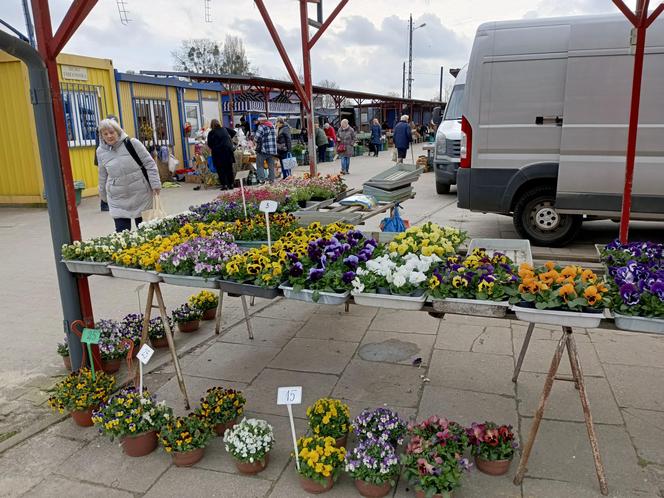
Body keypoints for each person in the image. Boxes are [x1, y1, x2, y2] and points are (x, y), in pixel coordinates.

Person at [96, 118, 161, 232]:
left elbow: (149, 163)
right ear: (101, 136)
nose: (109, 136)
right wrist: (103, 194)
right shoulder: (100, 151)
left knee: (145, 231)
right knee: (122, 233)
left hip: (141, 194)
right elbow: (102, 175)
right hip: (117, 197)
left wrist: (155, 184)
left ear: (118, 131)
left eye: (112, 132)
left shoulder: (132, 143)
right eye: (105, 134)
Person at [207, 119, 236, 190]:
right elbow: (234, 132)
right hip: (228, 151)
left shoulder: (211, 132)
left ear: (211, 125)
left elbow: (209, 144)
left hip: (218, 153)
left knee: (221, 169)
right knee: (229, 168)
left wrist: (215, 146)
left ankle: (225, 185)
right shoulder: (225, 129)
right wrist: (228, 139)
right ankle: (231, 184)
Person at [254, 114, 278, 183]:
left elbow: (256, 137)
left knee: (259, 164)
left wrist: (255, 140)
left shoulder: (261, 126)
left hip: (264, 149)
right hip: (272, 150)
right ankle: (272, 180)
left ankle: (262, 180)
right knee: (271, 166)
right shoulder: (272, 126)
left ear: (261, 120)